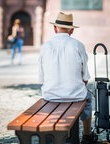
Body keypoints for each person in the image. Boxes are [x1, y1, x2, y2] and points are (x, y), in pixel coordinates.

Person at [38, 12, 94, 144]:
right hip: (76, 96)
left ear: (55, 28)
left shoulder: (45, 47)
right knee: (89, 99)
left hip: (50, 96)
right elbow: (85, 78)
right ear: (72, 30)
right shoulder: (78, 45)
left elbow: (41, 79)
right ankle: (87, 135)